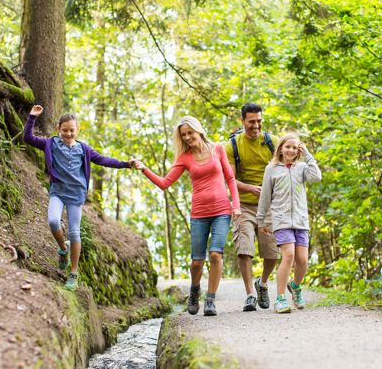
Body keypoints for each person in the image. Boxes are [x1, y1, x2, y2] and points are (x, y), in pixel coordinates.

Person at [132, 116, 240, 317]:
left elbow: (230, 179)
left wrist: (236, 205)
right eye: (184, 135)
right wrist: (144, 169)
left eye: (190, 132)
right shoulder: (184, 158)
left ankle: (210, 300)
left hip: (222, 211)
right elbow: (165, 183)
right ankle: (194, 290)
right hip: (199, 214)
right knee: (197, 262)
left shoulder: (217, 149)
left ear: (198, 130)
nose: (188, 137)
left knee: (216, 255)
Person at [23, 105, 132, 291]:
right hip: (58, 191)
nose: (68, 133)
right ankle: (63, 249)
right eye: (64, 130)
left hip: (76, 195)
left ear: (77, 130)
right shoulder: (51, 143)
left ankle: (73, 273)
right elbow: (28, 138)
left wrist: (126, 164)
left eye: (72, 130)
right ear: (59, 129)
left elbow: (104, 160)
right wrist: (32, 117)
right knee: (53, 222)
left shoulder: (84, 149)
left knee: (74, 232)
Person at [256, 133, 321, 313]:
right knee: (289, 255)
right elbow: (265, 196)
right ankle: (280, 298)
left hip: (300, 220)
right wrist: (261, 220)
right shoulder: (272, 169)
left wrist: (307, 154)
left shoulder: (302, 167)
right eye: (288, 147)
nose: (291, 150)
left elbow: (317, 176)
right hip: (281, 219)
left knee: (302, 260)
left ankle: (296, 286)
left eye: (294, 147)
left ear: (298, 149)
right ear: (281, 148)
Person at [226, 103, 280, 311]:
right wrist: (250, 188)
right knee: (244, 249)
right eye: (251, 122)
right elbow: (229, 180)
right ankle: (250, 294)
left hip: (268, 206)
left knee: (272, 252)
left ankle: (263, 283)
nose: (256, 125)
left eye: (259, 121)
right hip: (243, 205)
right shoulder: (232, 146)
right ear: (243, 121)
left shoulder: (272, 143)